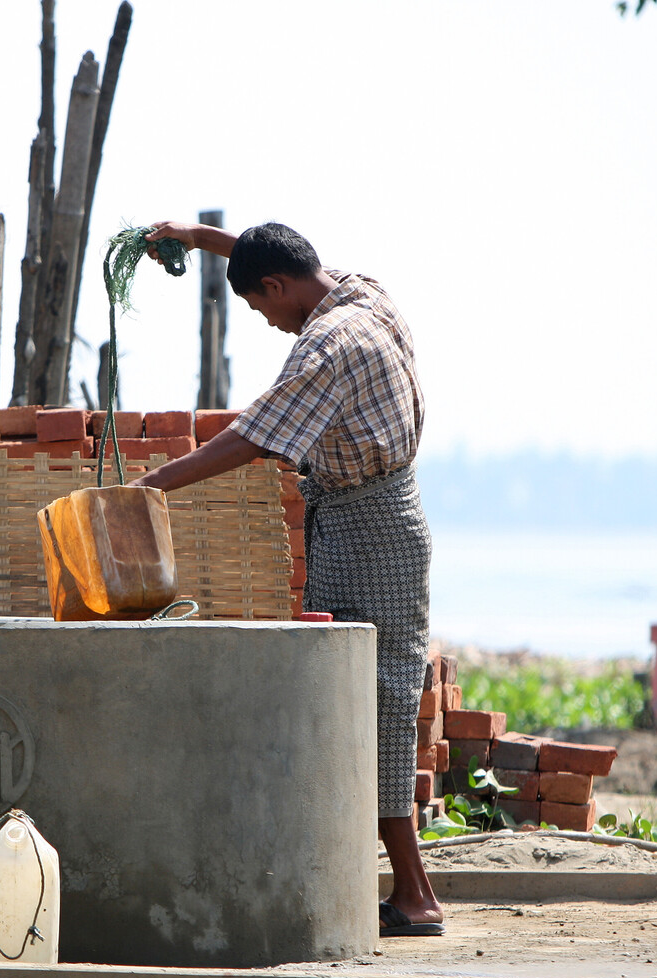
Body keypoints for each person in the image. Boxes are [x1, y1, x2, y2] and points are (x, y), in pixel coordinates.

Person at [134, 221, 444, 937]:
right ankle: (371, 876)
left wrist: (154, 484)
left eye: (257, 306)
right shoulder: (361, 293)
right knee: (348, 693)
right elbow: (271, 250)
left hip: (374, 530)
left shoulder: (327, 347)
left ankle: (416, 893)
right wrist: (196, 236)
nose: (265, 321)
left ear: (276, 288)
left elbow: (253, 436)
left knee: (381, 703)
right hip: (364, 517)